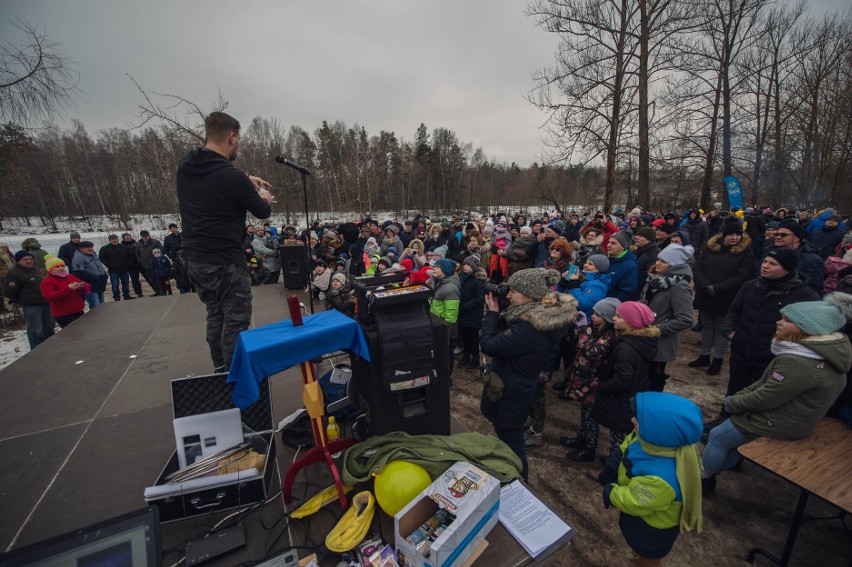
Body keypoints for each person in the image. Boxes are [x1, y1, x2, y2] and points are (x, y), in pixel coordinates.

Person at [701, 297, 851, 495]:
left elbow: (766, 397)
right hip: (793, 417)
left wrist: (734, 403)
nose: (779, 322)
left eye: (787, 320)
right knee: (731, 443)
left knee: (718, 437)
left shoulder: (799, 362)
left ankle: (704, 479)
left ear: (807, 328)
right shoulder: (822, 354)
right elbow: (767, 383)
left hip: (778, 421)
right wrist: (742, 395)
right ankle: (722, 467)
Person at [176, 111, 274, 372]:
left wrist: (244, 177)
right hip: (225, 261)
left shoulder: (187, 165)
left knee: (215, 313)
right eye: (238, 139)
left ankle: (219, 369)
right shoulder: (232, 178)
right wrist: (261, 195)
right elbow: (263, 212)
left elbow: (216, 175)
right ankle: (235, 376)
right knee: (236, 321)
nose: (238, 143)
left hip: (195, 258)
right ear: (231, 137)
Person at [704, 248, 820, 431]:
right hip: (742, 351)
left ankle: (744, 431)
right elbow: (734, 310)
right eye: (765, 262)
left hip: (771, 359)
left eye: (773, 264)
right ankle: (723, 420)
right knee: (734, 389)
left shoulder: (805, 296)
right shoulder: (751, 286)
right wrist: (729, 331)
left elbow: (812, 329)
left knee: (758, 397)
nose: (765, 266)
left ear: (787, 269)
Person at [480, 268, 577, 481]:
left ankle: (519, 483)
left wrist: (493, 314)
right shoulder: (539, 315)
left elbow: (489, 345)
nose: (508, 296)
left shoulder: (527, 328)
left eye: (513, 291)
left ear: (530, 295)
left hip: (511, 393)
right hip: (519, 386)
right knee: (510, 439)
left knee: (512, 444)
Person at [598, 392, 704, 565]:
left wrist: (611, 493)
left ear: (660, 432)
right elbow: (629, 443)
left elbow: (635, 501)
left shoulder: (663, 478)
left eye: (638, 421)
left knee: (645, 559)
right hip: (640, 518)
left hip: (651, 530)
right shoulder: (650, 440)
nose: (632, 420)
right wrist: (615, 463)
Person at [590, 301, 658, 465]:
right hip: (632, 395)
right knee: (621, 436)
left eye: (619, 317)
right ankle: (616, 460)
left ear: (631, 322)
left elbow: (623, 378)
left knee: (618, 437)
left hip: (621, 400)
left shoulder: (626, 349)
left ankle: (615, 468)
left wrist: (602, 387)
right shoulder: (641, 342)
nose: (614, 318)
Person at [691, 218, 754, 375]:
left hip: (727, 297)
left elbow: (742, 276)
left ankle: (718, 359)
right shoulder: (710, 248)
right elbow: (698, 268)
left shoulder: (745, 253)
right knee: (707, 327)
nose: (734, 237)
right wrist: (705, 286)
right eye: (731, 234)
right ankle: (704, 355)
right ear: (724, 235)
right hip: (706, 294)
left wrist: (718, 288)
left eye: (737, 234)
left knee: (721, 329)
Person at [560, 297, 619, 459]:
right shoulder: (596, 329)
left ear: (607, 318)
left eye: (597, 315)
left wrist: (583, 330)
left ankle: (589, 448)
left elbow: (591, 352)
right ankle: (582, 438)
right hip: (583, 380)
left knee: (591, 417)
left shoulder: (608, 338)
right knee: (584, 413)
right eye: (593, 313)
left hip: (593, 383)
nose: (593, 316)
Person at [641, 244, 695, 392]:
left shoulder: (679, 287)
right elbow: (645, 302)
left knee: (654, 379)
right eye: (658, 259)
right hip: (642, 337)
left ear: (674, 265)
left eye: (664, 261)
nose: (658, 263)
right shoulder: (654, 279)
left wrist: (657, 329)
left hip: (659, 343)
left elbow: (686, 319)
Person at [3, 250, 55, 349]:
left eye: (30, 259)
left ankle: (51, 346)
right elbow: (9, 292)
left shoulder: (34, 270)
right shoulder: (14, 274)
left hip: (45, 302)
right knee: (36, 330)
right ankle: (37, 350)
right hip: (31, 306)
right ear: (18, 261)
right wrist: (21, 300)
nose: (29, 261)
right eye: (25, 259)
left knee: (49, 326)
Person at [428, 258, 461, 371]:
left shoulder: (450, 288)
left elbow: (451, 316)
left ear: (445, 270)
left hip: (445, 330)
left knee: (446, 356)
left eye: (437, 267)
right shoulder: (440, 282)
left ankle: (447, 380)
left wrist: (446, 336)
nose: (434, 268)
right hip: (438, 326)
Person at [40, 255, 88, 328]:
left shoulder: (70, 277)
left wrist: (82, 286)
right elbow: (50, 297)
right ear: (50, 269)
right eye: (57, 267)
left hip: (78, 310)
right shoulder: (47, 282)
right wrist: (68, 289)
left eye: (62, 266)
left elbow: (86, 285)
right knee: (73, 335)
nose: (61, 268)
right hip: (63, 314)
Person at [457, 255, 486, 372]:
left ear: (474, 267)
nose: (465, 266)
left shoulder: (478, 281)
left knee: (473, 338)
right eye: (464, 264)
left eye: (468, 265)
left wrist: (465, 307)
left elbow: (479, 299)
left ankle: (475, 359)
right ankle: (466, 356)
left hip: (472, 314)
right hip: (463, 313)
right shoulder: (463, 278)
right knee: (464, 336)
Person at [71, 241, 109, 308]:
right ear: (81, 249)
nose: (90, 249)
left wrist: (104, 275)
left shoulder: (93, 255)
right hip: (90, 285)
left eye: (91, 247)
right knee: (95, 306)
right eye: (87, 247)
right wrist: (93, 277)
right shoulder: (78, 257)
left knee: (102, 305)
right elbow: (79, 272)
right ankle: (95, 318)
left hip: (99, 283)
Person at [98, 234, 135, 302]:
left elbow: (131, 256)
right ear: (109, 240)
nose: (114, 240)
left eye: (116, 239)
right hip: (113, 270)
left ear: (118, 239)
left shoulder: (124, 247)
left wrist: (128, 263)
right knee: (115, 285)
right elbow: (101, 258)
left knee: (126, 283)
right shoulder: (105, 248)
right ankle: (116, 297)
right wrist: (109, 265)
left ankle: (126, 295)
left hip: (124, 269)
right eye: (112, 239)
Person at [606, 232, 640, 302]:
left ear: (623, 246)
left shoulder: (630, 266)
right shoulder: (606, 260)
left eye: (613, 243)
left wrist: (609, 304)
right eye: (608, 242)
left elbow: (627, 293)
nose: (608, 245)